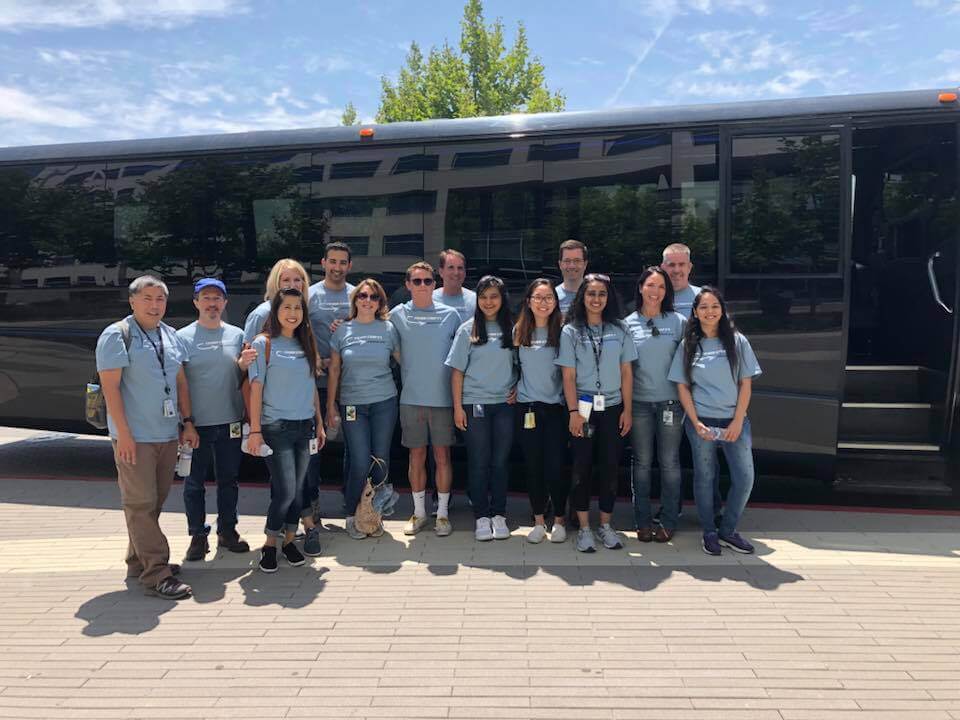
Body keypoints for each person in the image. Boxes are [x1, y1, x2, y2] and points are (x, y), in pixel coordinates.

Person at [95, 275, 197, 600]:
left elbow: (181, 382)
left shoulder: (170, 335)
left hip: (166, 434)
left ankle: (137, 560)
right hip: (134, 436)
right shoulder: (117, 335)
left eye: (160, 300)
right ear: (132, 301)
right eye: (148, 299)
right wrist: (123, 434)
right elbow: (110, 388)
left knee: (153, 502)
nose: (155, 306)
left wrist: (187, 423)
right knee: (139, 503)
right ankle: (157, 572)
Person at [668, 287, 762, 557]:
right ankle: (709, 531)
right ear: (695, 313)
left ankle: (728, 529)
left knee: (744, 478)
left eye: (715, 306)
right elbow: (683, 386)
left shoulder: (737, 341)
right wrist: (695, 422)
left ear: (722, 309)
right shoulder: (689, 345)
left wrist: (736, 422)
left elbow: (746, 385)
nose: (710, 312)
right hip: (702, 423)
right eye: (703, 307)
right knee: (705, 477)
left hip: (735, 422)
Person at [177, 278, 257, 561]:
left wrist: (244, 365)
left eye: (217, 298)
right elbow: (179, 383)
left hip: (231, 421)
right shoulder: (182, 337)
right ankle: (198, 535)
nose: (212, 303)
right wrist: (186, 421)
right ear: (196, 302)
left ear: (225, 303)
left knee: (229, 480)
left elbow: (243, 376)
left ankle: (228, 531)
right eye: (206, 298)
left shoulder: (237, 335)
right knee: (194, 483)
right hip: (196, 424)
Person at [247, 288, 326, 572]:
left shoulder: (307, 343)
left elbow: (311, 387)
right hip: (275, 427)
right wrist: (255, 431)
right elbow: (256, 389)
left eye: (298, 308)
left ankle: (290, 541)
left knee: (296, 490)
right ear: (275, 312)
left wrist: (319, 422)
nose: (293, 313)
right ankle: (269, 544)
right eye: (287, 307)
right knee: (286, 491)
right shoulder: (263, 343)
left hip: (304, 426)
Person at [556, 273, 637, 553]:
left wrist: (628, 409)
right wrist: (573, 411)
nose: (596, 299)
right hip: (584, 408)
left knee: (610, 468)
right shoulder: (571, 331)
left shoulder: (620, 329)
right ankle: (584, 528)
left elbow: (627, 372)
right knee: (581, 468)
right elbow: (568, 376)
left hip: (613, 408)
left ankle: (605, 525)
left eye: (602, 294)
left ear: (609, 297)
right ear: (582, 297)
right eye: (591, 294)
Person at [389, 262, 461, 536]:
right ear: (407, 284)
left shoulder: (451, 315)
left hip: (443, 399)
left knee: (442, 456)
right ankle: (419, 513)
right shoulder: (396, 315)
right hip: (411, 398)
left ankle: (442, 514)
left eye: (427, 281)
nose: (422, 286)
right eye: (416, 281)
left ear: (435, 283)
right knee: (416, 457)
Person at [446, 276, 517, 542]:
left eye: (494, 297)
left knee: (500, 462)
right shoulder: (468, 329)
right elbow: (456, 373)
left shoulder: (513, 328)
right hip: (474, 404)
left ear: (502, 299)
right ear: (478, 300)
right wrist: (457, 408)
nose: (489, 302)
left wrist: (518, 388)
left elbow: (522, 365)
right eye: (484, 297)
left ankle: (499, 513)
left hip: (504, 406)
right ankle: (482, 516)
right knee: (479, 461)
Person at [326, 279, 399, 539]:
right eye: (363, 296)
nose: (368, 300)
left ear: (380, 302)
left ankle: (373, 515)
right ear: (355, 299)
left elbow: (406, 362)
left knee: (380, 459)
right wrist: (330, 404)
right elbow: (334, 370)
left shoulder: (389, 329)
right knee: (358, 460)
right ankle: (351, 513)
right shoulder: (342, 330)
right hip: (352, 404)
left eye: (374, 297)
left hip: (384, 402)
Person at [624, 268, 686, 543]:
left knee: (670, 462)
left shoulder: (679, 322)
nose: (655, 292)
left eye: (661, 287)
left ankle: (669, 519)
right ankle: (643, 520)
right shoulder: (626, 325)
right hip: (639, 404)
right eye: (651, 285)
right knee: (642, 463)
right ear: (640, 288)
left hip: (671, 403)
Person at [304, 241, 355, 533]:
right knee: (314, 447)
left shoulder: (357, 294)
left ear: (350, 266)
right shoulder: (309, 295)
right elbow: (299, 331)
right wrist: (316, 360)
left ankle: (352, 504)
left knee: (354, 447)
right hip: (316, 384)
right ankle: (312, 504)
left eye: (342, 262)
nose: (337, 267)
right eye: (332, 261)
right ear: (323, 263)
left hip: (350, 384)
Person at [513, 279, 568, 544]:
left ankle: (558, 520)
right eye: (538, 297)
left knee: (556, 466)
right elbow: (512, 367)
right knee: (533, 466)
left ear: (555, 303)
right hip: (528, 408)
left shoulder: (564, 331)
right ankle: (537, 521)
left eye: (548, 298)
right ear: (529, 301)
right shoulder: (519, 331)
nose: (543, 302)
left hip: (556, 409)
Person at [243, 258, 310, 344]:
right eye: (286, 280)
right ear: (276, 283)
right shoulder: (263, 314)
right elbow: (247, 349)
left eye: (297, 280)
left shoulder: (304, 311)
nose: (292, 285)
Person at [433, 248, 477, 324]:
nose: (456, 273)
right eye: (451, 267)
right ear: (441, 272)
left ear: (465, 273)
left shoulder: (475, 300)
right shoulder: (429, 299)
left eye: (460, 268)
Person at [661, 242, 701, 318]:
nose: (676, 270)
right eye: (671, 265)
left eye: (681, 264)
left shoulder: (705, 297)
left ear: (689, 267)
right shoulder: (652, 298)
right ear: (663, 268)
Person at [556, 239, 588, 316]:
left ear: (585, 264)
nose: (572, 266)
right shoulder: (552, 297)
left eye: (577, 261)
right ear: (560, 264)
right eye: (567, 261)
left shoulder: (596, 296)